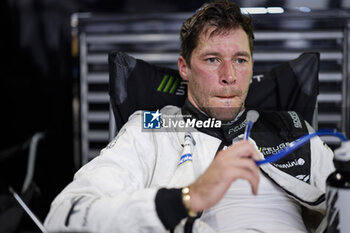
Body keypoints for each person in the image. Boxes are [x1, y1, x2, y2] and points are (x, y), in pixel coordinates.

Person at [44, 1, 334, 232]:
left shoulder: (293, 129)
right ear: (184, 67)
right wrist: (187, 198)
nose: (229, 76)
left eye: (240, 60)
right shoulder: (152, 128)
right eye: (212, 60)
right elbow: (64, 216)